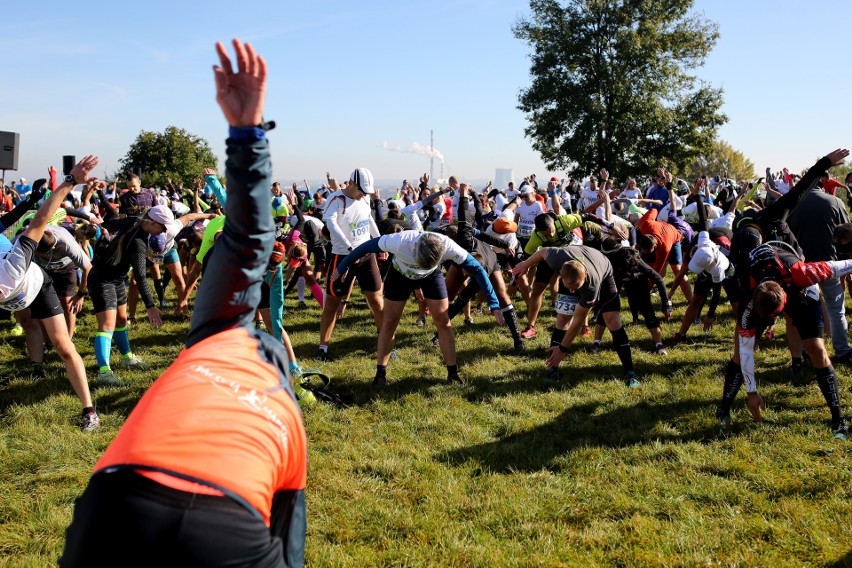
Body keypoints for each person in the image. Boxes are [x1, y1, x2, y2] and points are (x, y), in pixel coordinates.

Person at [61, 39, 308, 567]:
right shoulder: (286, 418)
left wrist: (246, 133)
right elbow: (290, 538)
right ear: (282, 372)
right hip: (226, 518)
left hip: (117, 498)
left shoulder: (215, 337)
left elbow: (249, 237)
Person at [0, 158, 102, 431]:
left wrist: (70, 180)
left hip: (37, 286)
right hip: (16, 295)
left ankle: (90, 412)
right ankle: (36, 366)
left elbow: (42, 217)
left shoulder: (15, 261)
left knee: (63, 346)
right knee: (30, 328)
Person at [716, 239, 852, 439]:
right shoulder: (748, 300)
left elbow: (841, 265)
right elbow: (745, 351)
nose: (773, 320)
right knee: (740, 348)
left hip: (798, 288)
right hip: (760, 284)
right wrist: (751, 393)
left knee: (818, 351)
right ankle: (724, 409)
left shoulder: (804, 273)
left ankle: (838, 418)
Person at [332, 229, 503, 386]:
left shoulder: (449, 246)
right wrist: (342, 267)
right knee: (389, 322)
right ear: (414, 249)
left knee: (443, 322)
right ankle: (380, 373)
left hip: (431, 277)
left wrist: (493, 303)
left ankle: (452, 373)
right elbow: (364, 247)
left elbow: (478, 270)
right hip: (400, 275)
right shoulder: (399, 241)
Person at [512, 245, 638, 386]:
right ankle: (552, 369)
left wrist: (563, 348)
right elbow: (542, 251)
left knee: (613, 321)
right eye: (568, 286)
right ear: (560, 274)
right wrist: (525, 264)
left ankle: (630, 372)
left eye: (575, 287)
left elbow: (577, 320)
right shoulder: (557, 258)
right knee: (562, 319)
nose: (572, 291)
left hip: (602, 271)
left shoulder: (591, 285)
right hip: (574, 264)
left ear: (584, 277)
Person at [318, 167, 384, 361]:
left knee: (377, 302)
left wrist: (380, 242)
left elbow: (369, 219)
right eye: (361, 190)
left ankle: (386, 341)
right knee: (331, 304)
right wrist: (349, 250)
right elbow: (331, 224)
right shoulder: (337, 200)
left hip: (366, 255)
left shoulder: (364, 198)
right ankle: (323, 347)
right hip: (342, 257)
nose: (363, 194)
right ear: (351, 183)